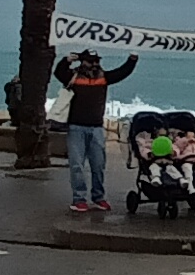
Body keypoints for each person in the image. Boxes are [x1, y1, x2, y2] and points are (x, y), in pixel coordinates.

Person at [53, 48, 138, 213]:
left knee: (98, 165)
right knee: (77, 165)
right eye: (90, 61)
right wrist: (66, 60)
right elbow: (59, 72)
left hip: (97, 128)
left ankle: (99, 197)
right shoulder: (73, 77)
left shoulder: (103, 77)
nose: (94, 64)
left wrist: (132, 59)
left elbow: (122, 72)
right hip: (76, 128)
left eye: (96, 61)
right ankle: (79, 199)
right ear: (82, 61)